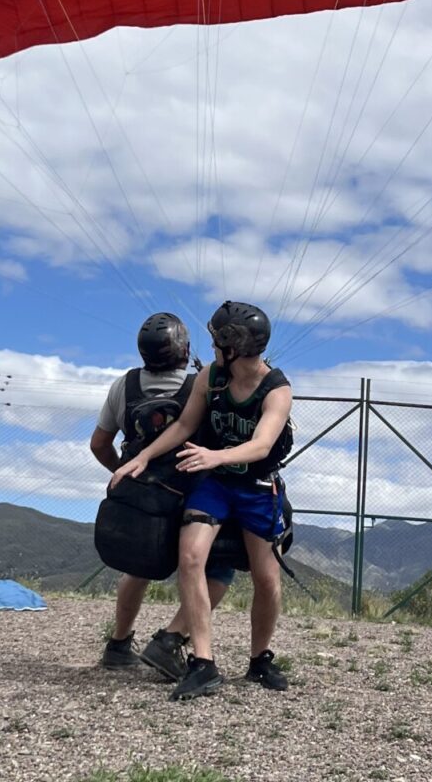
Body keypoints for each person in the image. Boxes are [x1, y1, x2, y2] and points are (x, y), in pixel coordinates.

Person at [111, 300, 294, 700]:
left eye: (216, 343)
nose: (211, 350)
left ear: (233, 346)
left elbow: (262, 445)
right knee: (190, 557)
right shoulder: (210, 376)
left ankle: (260, 659)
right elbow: (185, 424)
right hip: (215, 483)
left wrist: (217, 456)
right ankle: (203, 663)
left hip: (256, 488)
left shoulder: (277, 389)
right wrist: (143, 456)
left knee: (266, 578)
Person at [90, 311, 236, 680]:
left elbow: (99, 444)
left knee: (137, 566)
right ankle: (171, 640)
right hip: (192, 492)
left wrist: (127, 475)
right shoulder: (201, 384)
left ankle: (119, 644)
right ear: (185, 350)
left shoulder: (124, 386)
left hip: (143, 498)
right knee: (217, 567)